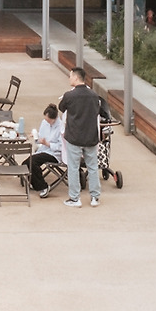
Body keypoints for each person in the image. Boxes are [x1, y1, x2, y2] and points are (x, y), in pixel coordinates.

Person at [58, 68, 112, 207]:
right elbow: (99, 111)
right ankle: (95, 197)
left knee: (73, 168)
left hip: (74, 137)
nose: (69, 78)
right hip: (91, 137)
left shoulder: (69, 96)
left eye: (71, 76)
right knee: (92, 167)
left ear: (76, 78)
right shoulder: (94, 96)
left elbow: (61, 108)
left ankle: (75, 198)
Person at [28, 104, 65, 196]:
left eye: (49, 121)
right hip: (43, 149)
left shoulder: (61, 126)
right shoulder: (44, 123)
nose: (47, 122)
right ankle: (35, 182)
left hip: (54, 153)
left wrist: (48, 144)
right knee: (26, 163)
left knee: (32, 162)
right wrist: (36, 136)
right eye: (46, 120)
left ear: (54, 119)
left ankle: (43, 187)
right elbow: (41, 136)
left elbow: (61, 146)